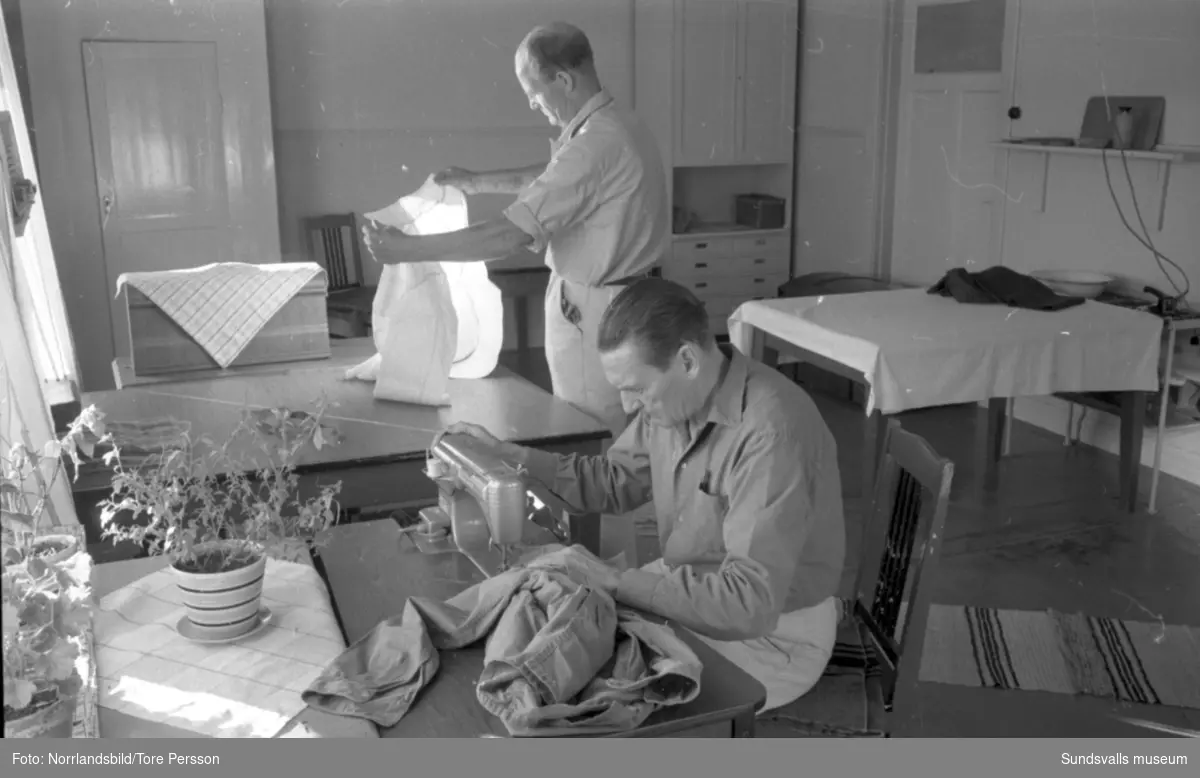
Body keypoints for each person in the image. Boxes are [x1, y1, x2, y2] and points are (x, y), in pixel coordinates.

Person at [436, 279, 847, 714]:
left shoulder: (770, 433)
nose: (629, 406)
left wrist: (616, 580)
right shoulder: (676, 400)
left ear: (687, 359)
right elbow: (613, 482)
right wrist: (508, 455)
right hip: (693, 597)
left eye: (636, 388)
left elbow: (748, 604)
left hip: (773, 636)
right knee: (552, 642)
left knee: (593, 697)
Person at [360, 21, 669, 439]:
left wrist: (408, 249)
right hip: (631, 301)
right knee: (627, 431)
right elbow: (555, 177)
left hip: (596, 312)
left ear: (562, 79)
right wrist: (476, 181)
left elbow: (508, 234)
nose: (532, 104)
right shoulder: (618, 124)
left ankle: (598, 505)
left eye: (534, 92)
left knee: (592, 431)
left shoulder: (596, 144)